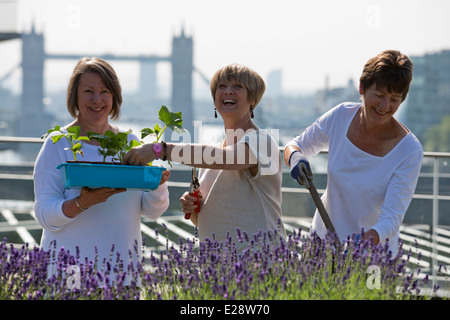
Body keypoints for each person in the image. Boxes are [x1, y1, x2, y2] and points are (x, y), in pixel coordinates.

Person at [33, 57, 170, 281]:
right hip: (70, 274)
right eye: (88, 91)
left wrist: (158, 184)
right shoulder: (57, 143)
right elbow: (45, 215)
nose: (97, 99)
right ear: (75, 97)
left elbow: (152, 211)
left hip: (122, 273)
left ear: (114, 96)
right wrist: (83, 203)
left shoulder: (130, 142)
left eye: (105, 91)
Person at [123, 63, 286, 250]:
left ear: (253, 99)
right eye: (221, 86)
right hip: (218, 266)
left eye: (238, 87)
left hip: (261, 265)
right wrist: (193, 209)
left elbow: (227, 158)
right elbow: (206, 221)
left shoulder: (262, 142)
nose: (228, 91)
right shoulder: (211, 156)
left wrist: (160, 149)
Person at [284, 50, 423, 256]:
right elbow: (295, 145)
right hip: (321, 243)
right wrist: (296, 158)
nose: (385, 106)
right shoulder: (341, 116)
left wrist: (367, 240)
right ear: (362, 88)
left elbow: (392, 218)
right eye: (379, 95)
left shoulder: (409, 150)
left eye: (395, 99)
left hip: (372, 255)